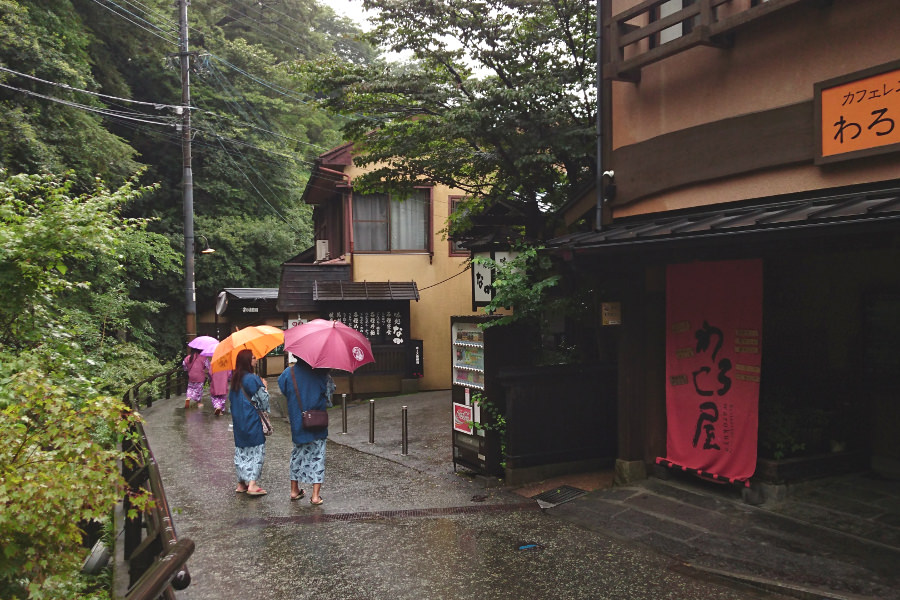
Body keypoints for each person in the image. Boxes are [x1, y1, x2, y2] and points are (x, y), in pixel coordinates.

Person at [278, 358, 334, 505]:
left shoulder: (288, 373)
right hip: (317, 420)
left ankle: (294, 490)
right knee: (318, 457)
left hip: (298, 420)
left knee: (297, 455)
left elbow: (283, 389)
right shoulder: (322, 373)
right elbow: (329, 396)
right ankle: (315, 496)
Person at [229, 349, 269, 496]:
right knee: (257, 450)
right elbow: (264, 403)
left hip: (238, 421)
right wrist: (264, 387)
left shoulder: (235, 379)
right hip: (251, 419)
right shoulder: (253, 379)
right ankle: (252, 484)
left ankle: (241, 483)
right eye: (253, 358)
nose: (256, 360)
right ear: (247, 361)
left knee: (241, 451)